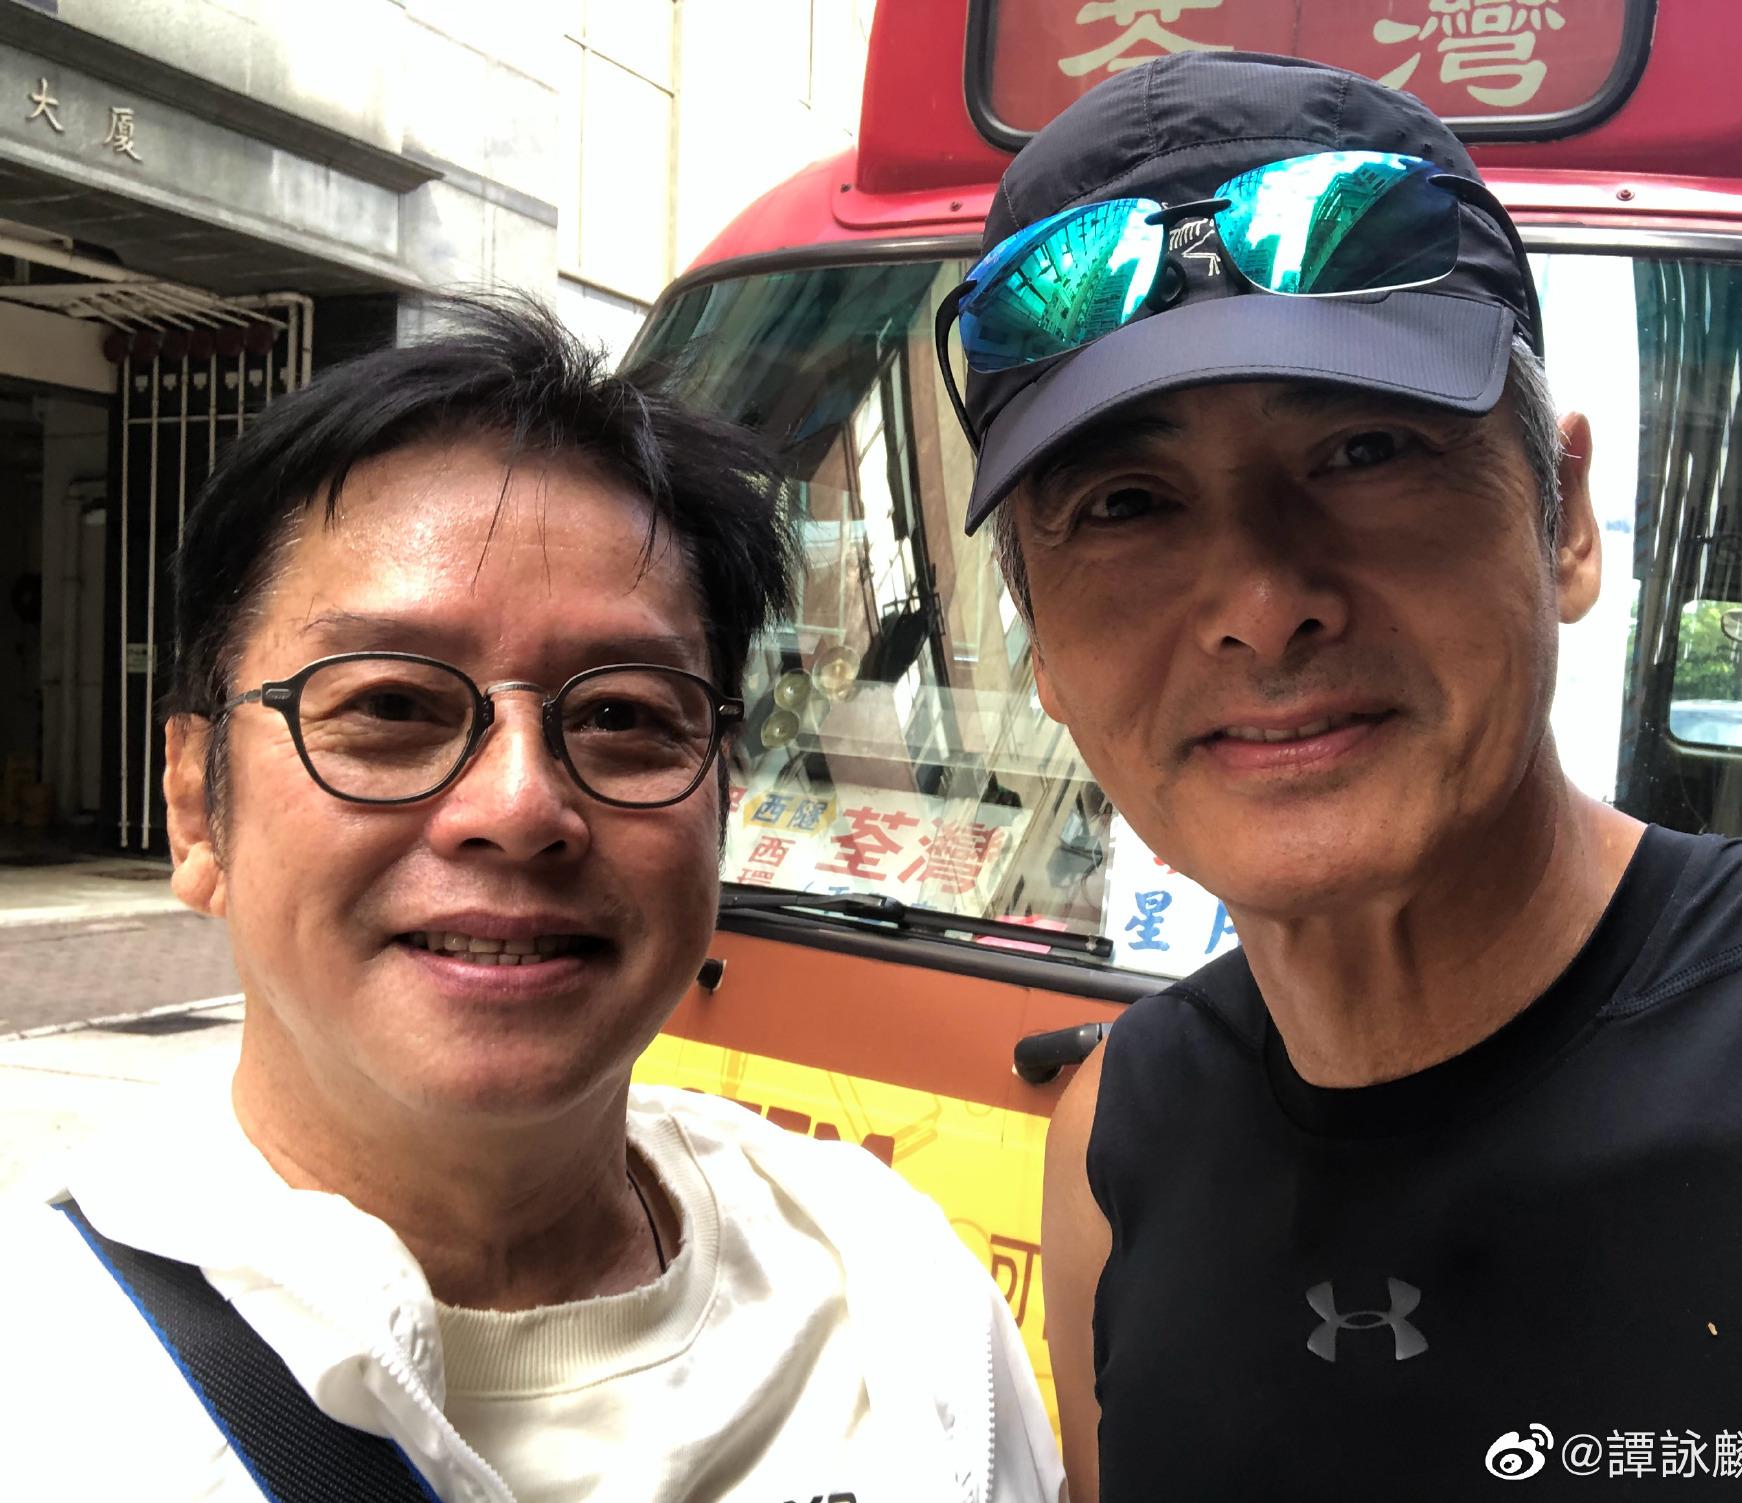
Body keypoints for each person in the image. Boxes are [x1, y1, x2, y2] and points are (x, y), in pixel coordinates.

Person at [938, 53, 1742, 1500]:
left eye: (1364, 449)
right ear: (1044, 655)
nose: (1262, 602)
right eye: (1127, 504)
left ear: (1565, 522)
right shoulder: (1117, 1142)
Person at [1, 298, 1061, 1503]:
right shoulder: (47, 1383)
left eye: (622, 716)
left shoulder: (890, 1300)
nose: (518, 806)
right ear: (198, 807)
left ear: (721, 794)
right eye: (390, 707)